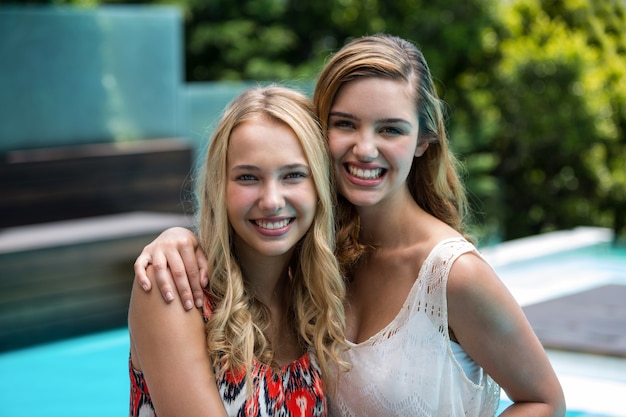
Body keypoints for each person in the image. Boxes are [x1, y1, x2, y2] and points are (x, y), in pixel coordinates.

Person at [134, 34, 566, 416]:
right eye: (345, 124)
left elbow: (545, 400)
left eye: (391, 129)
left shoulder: (452, 274)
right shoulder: (313, 271)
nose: (364, 148)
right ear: (323, 139)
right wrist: (179, 237)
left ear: (423, 141)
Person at [128, 85, 348, 417]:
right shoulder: (174, 287)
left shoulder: (318, 303)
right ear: (220, 186)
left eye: (293, 175)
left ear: (319, 186)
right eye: (248, 177)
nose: (272, 200)